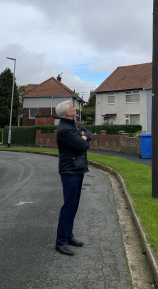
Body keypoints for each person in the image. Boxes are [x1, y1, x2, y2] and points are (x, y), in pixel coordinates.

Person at [55, 100, 92, 256]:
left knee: (74, 205)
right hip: (69, 171)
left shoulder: (72, 125)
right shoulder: (64, 129)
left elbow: (87, 131)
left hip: (77, 169)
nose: (75, 109)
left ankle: (69, 236)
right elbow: (83, 146)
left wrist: (84, 136)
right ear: (67, 112)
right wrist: (83, 139)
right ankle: (61, 242)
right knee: (69, 206)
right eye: (72, 107)